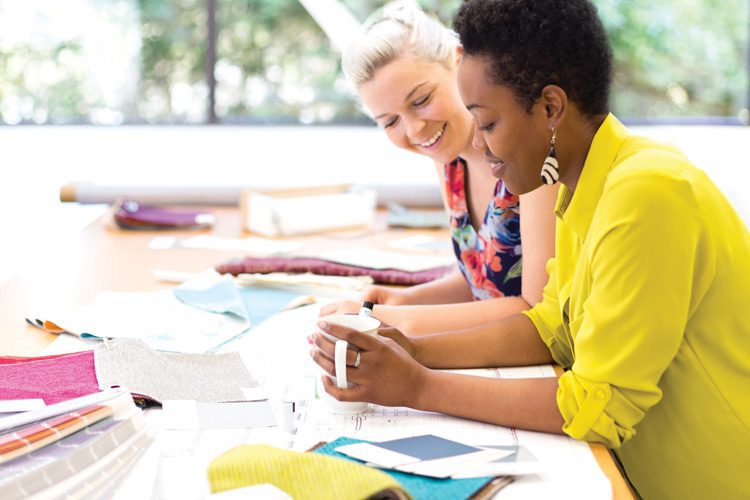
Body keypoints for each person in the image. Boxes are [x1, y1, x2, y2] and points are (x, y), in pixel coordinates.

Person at [310, 0, 750, 498]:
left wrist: (417, 386)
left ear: (549, 109)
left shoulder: (647, 192)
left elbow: (598, 408)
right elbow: (549, 329)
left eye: (489, 123)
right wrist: (414, 352)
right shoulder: (576, 184)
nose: (478, 141)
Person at [319, 0, 557, 335]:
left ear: (460, 62)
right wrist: (397, 301)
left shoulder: (532, 153)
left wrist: (384, 320)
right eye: (390, 121)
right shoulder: (450, 161)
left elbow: (535, 310)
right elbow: (481, 282)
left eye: (420, 101)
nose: (415, 129)